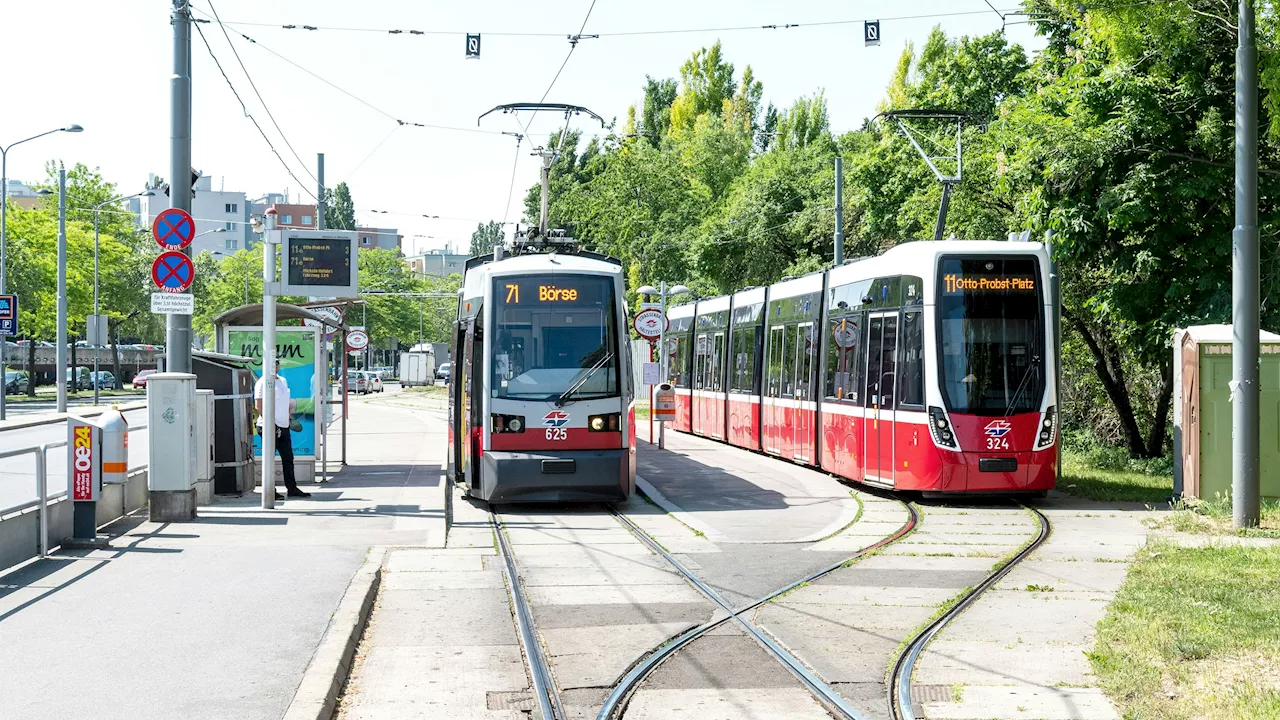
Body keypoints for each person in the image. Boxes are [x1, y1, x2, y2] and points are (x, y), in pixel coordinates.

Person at [254, 358, 311, 499]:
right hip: (269, 425)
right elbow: (258, 405)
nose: (276, 366)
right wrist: (269, 423)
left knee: (288, 457)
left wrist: (288, 418)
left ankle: (292, 488)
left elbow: (285, 402)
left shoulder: (282, 381)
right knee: (270, 458)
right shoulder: (262, 382)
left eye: (277, 363)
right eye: (273, 363)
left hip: (283, 425)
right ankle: (269, 490)